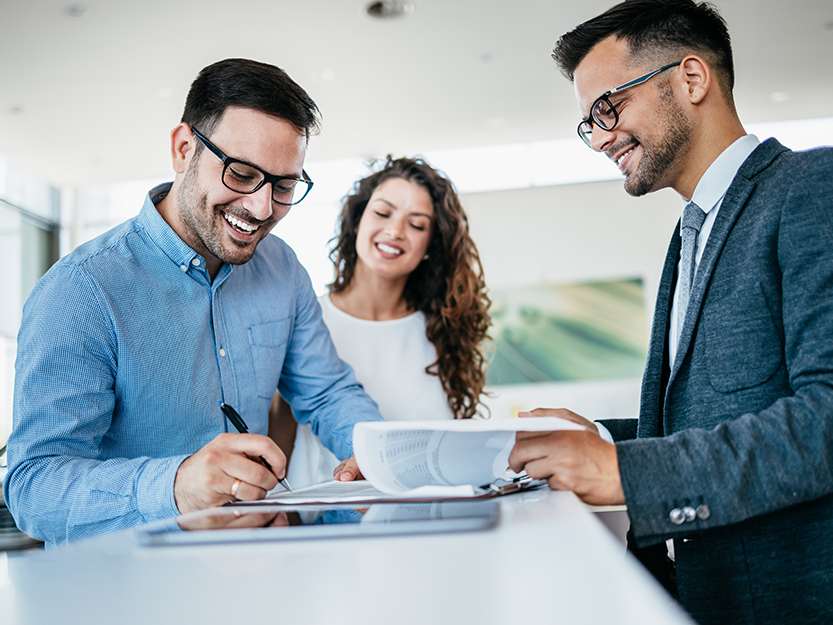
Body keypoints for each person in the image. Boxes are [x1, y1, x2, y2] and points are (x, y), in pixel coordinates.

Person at [507, 1, 833, 622]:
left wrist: (626, 472)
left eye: (609, 108)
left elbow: (826, 419)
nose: (600, 138)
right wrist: (595, 439)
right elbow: (716, 412)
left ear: (690, 79)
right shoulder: (689, 234)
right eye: (589, 124)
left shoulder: (812, 189)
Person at [4, 58, 383, 547]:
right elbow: (34, 487)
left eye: (285, 186)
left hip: (257, 568)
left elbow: (327, 392)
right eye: (242, 173)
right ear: (184, 149)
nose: (262, 209)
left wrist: (377, 451)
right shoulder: (80, 291)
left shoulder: (283, 268)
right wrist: (178, 488)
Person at [276, 156, 491, 488]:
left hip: (434, 520)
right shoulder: (304, 323)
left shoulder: (443, 331)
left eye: (416, 224)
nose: (395, 231)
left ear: (430, 245)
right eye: (382, 212)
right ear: (357, 220)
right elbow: (278, 456)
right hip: (331, 529)